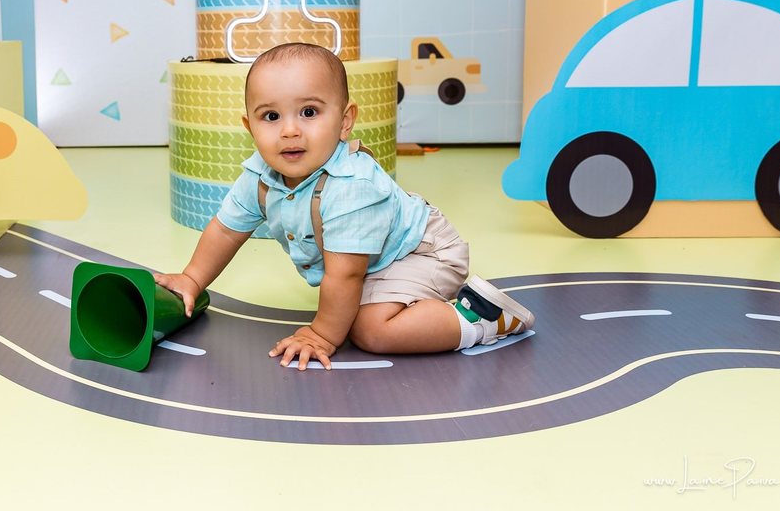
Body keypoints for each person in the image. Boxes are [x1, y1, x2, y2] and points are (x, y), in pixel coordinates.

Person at [155, 42, 534, 370]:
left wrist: (322, 334)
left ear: (345, 120)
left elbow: (346, 277)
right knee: (354, 311)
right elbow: (225, 230)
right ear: (249, 126)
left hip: (423, 253)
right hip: (369, 261)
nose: (289, 130)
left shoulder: (351, 188)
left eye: (308, 112)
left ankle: (483, 318)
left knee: (370, 331)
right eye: (271, 116)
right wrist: (192, 279)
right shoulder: (258, 177)